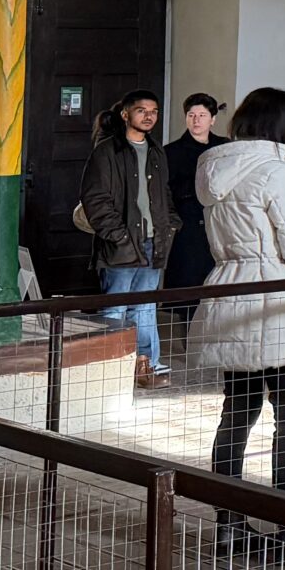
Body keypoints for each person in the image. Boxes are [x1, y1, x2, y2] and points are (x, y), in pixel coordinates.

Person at [188, 86, 285, 553]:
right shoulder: (279, 172)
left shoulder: (215, 169)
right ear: (282, 125)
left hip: (229, 289)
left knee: (237, 412)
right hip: (276, 297)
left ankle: (229, 525)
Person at [78, 90, 176, 388]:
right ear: (125, 114)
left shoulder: (156, 151)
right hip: (121, 243)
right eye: (142, 110)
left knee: (145, 307)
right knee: (115, 307)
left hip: (153, 242)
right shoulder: (107, 151)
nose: (149, 116)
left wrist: (171, 224)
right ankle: (108, 372)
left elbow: (164, 193)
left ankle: (146, 367)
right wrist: (118, 235)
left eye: (154, 111)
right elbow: (95, 198)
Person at [162, 93, 223, 302]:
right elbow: (165, 190)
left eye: (202, 115)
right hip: (186, 222)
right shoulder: (171, 152)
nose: (196, 120)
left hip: (218, 221)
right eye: (191, 115)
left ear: (212, 119)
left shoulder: (224, 148)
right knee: (187, 282)